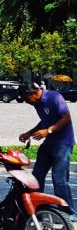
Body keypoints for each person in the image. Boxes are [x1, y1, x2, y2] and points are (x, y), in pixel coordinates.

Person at [18, 80, 74, 219]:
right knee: (36, 177)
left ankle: (69, 213)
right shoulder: (37, 104)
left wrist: (48, 131)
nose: (27, 102)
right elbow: (44, 121)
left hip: (63, 143)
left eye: (27, 99)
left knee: (59, 180)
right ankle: (37, 210)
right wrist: (29, 133)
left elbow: (66, 118)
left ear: (34, 92)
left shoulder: (54, 97)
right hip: (49, 143)